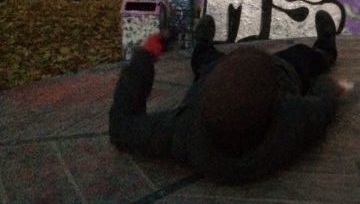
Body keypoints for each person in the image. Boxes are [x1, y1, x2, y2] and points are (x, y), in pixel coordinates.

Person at [109, 10, 341, 184]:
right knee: (308, 57)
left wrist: (145, 55)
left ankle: (202, 42)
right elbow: (324, 103)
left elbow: (121, 124)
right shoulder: (291, 121)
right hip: (280, 70)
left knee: (203, 58)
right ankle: (327, 44)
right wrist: (333, 85)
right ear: (276, 106)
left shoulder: (184, 130)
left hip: (214, 71)